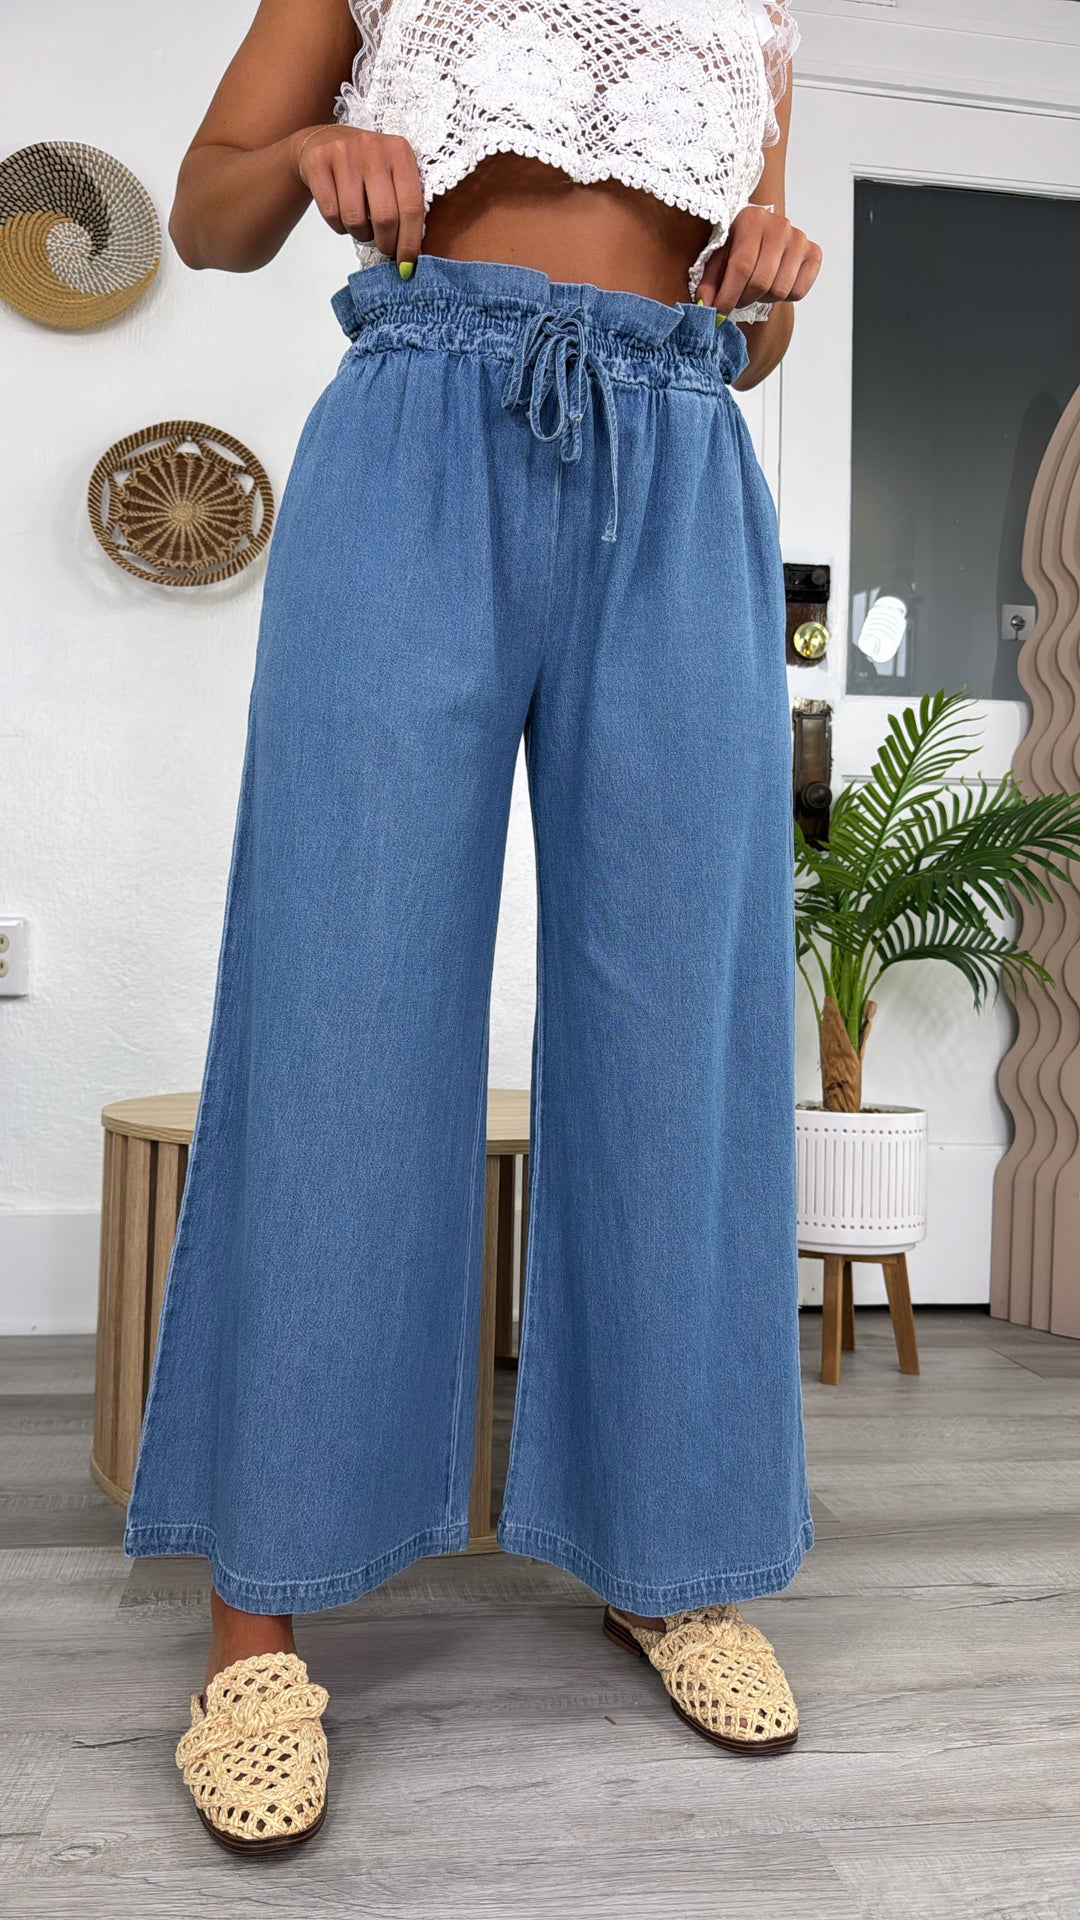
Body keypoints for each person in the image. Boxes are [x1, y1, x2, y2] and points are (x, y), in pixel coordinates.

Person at [122, 0, 823, 1853]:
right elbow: (206, 211)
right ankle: (260, 1615)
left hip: (680, 454)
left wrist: (765, 287)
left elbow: (743, 325)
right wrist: (308, 156)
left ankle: (671, 1557)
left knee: (683, 1027)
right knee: (344, 1003)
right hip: (422, 419)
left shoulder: (759, 19)